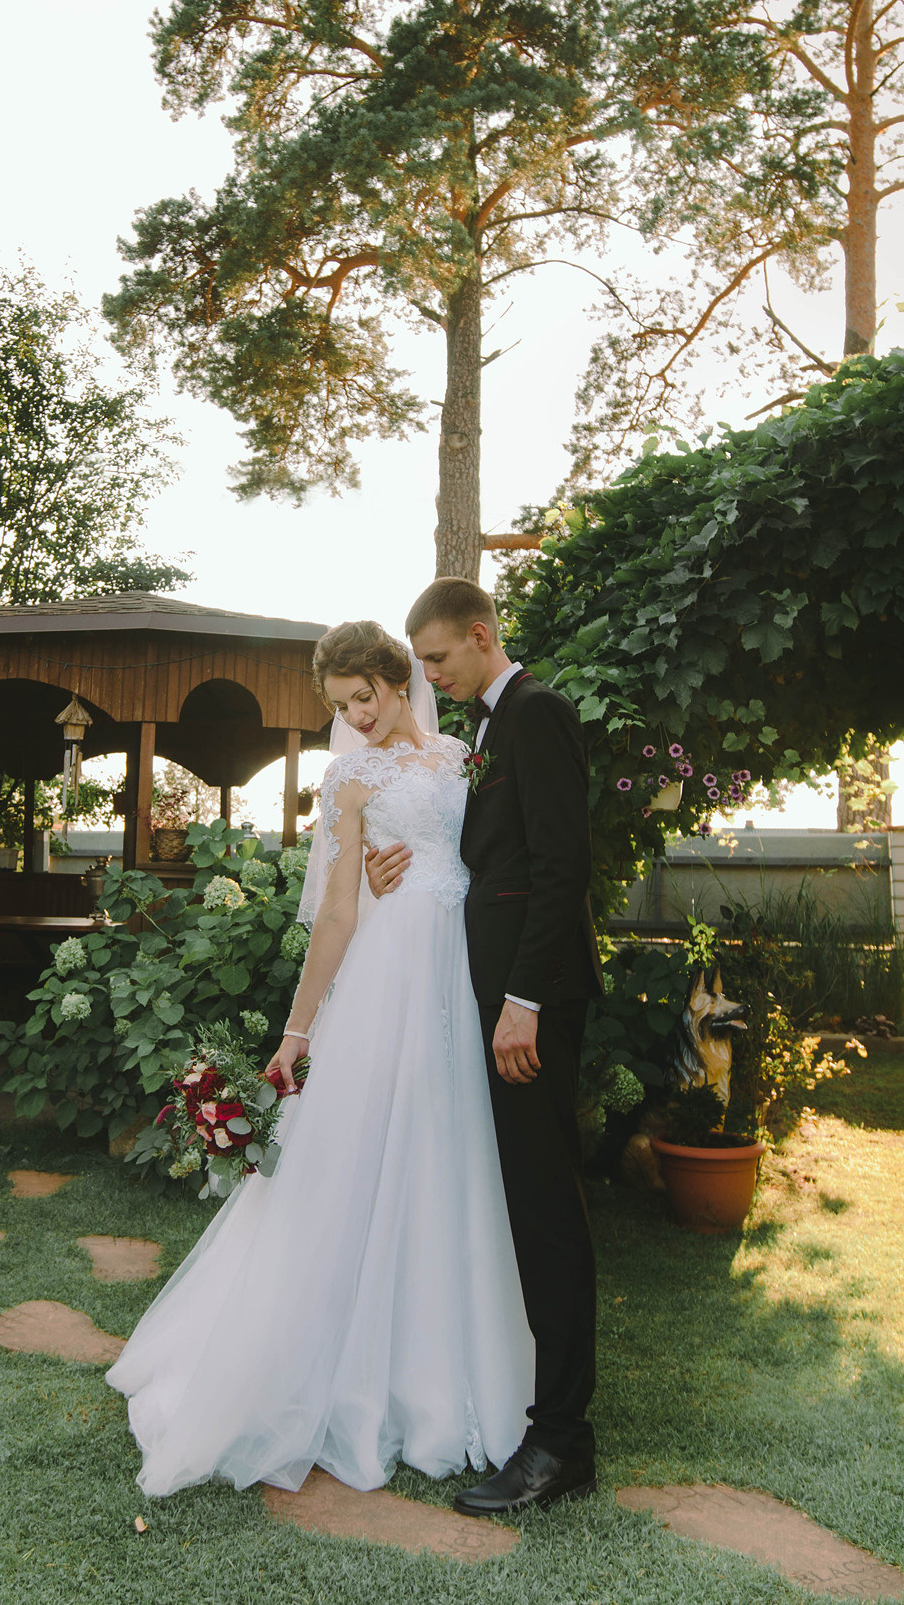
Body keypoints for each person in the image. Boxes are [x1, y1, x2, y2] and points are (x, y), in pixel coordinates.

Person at [106, 619, 534, 1497]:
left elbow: (490, 857)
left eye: (362, 698)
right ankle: (343, 1371)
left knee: (449, 1154)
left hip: (464, 970)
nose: (356, 718)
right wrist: (297, 1032)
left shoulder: (463, 755)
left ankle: (446, 1365)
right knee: (359, 1158)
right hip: (390, 980)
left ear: (395, 676)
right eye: (340, 707)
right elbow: (337, 912)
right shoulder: (349, 778)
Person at [366, 577, 603, 1516]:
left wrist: (525, 1002)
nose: (428, 675)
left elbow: (561, 867)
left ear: (478, 636)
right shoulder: (488, 731)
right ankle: (538, 1412)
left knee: (547, 1211)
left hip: (527, 1007)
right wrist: (399, 860)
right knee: (525, 1205)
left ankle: (561, 1444)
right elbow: (483, 857)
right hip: (496, 997)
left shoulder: (536, 715)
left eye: (435, 659)